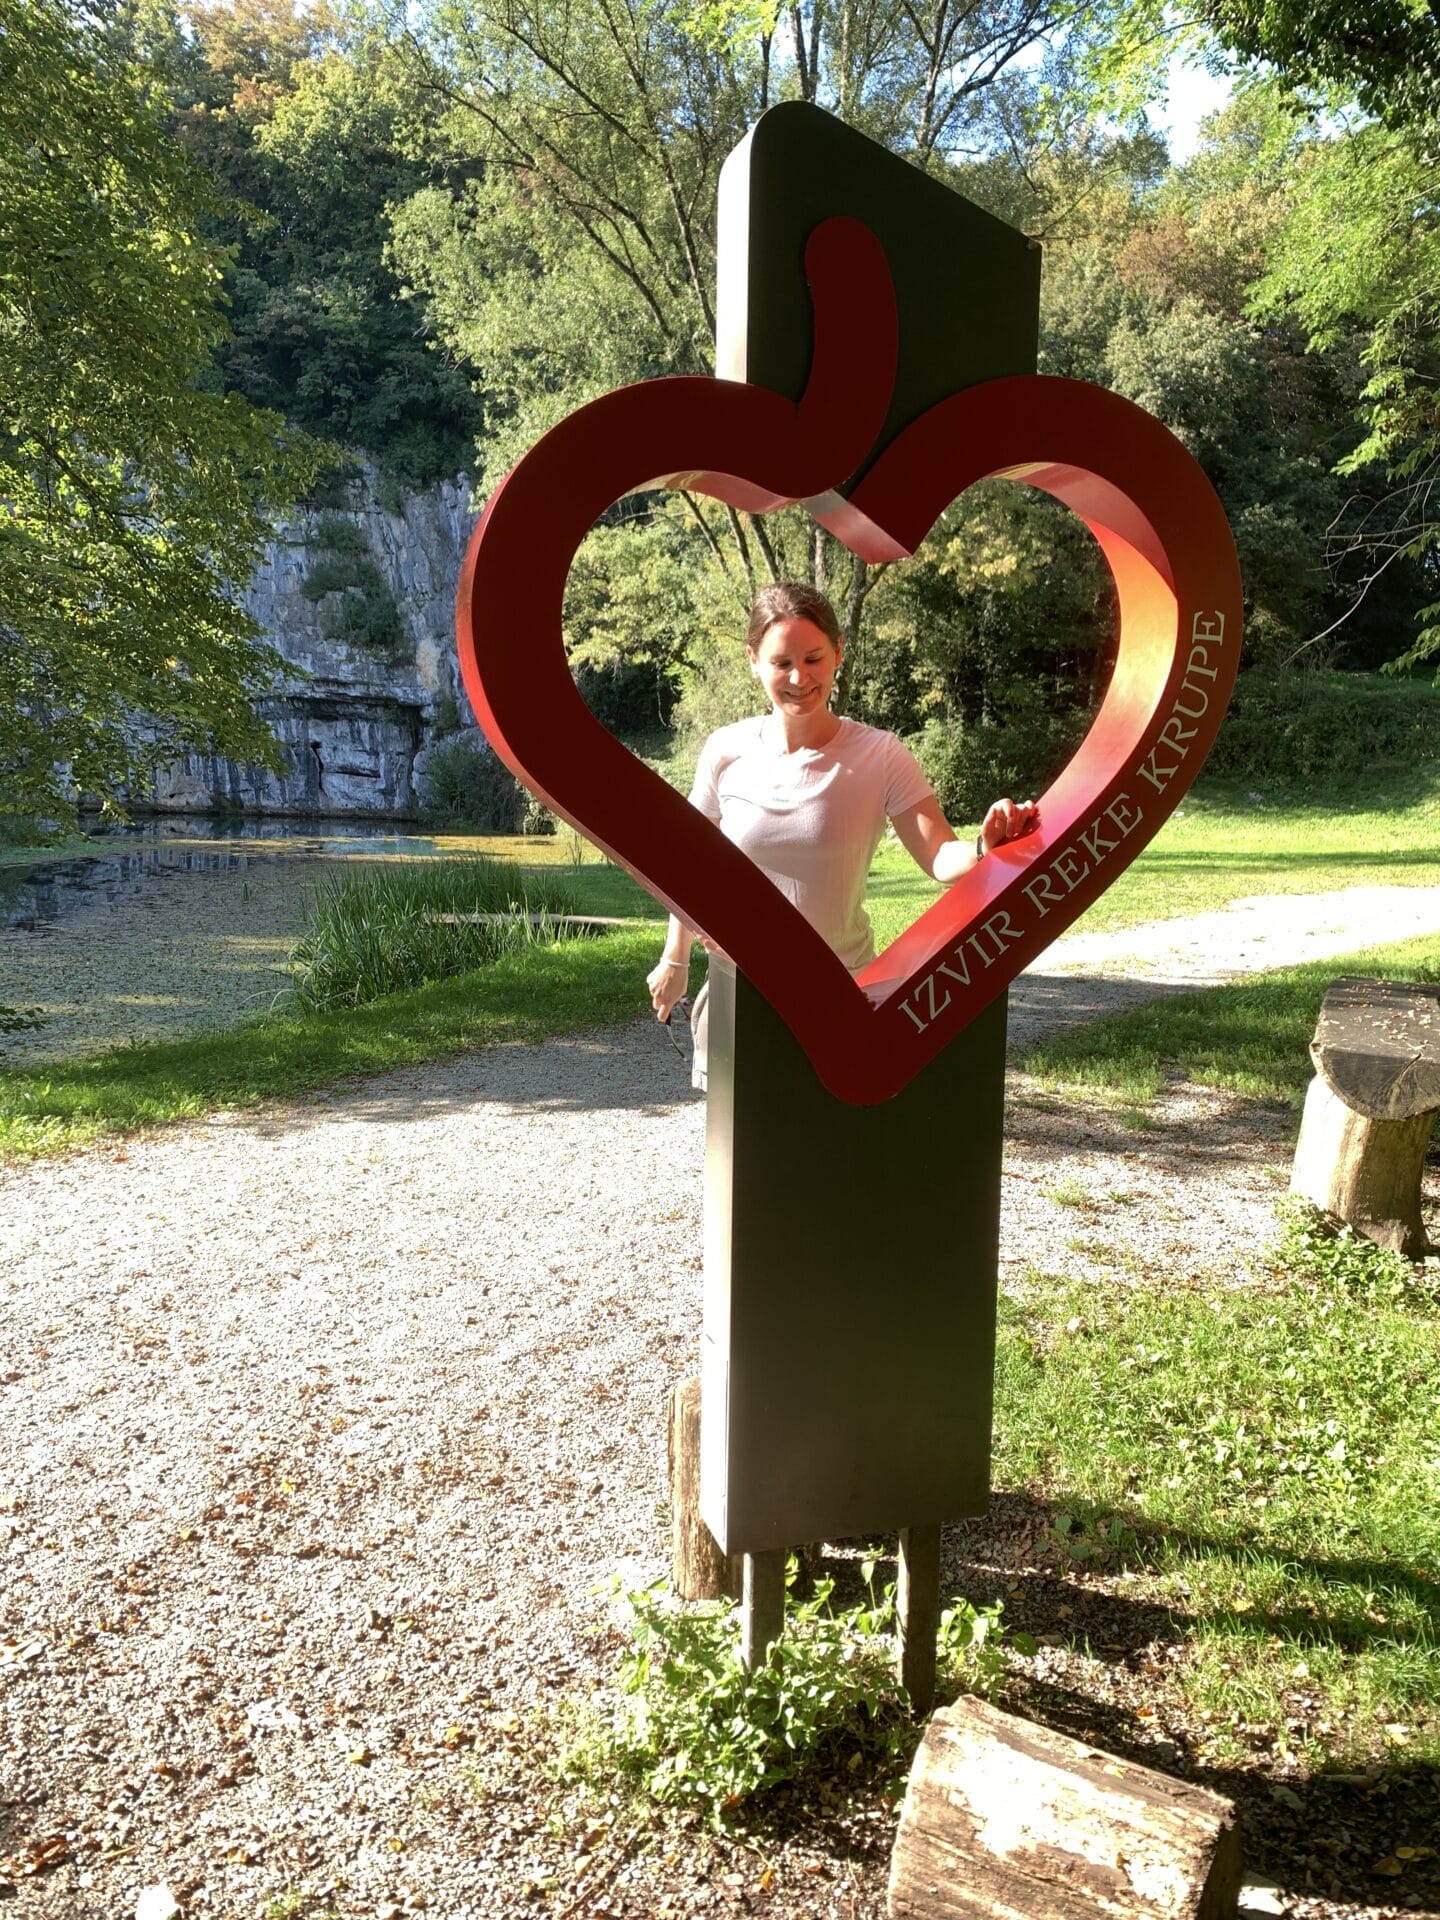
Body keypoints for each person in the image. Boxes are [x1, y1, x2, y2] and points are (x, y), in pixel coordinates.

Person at [646, 581, 1039, 1085]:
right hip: (737, 996)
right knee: (741, 1160)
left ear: (838, 654)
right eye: (781, 662)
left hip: (841, 997)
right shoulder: (726, 749)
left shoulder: (880, 755)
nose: (798, 677)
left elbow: (940, 854)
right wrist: (674, 959)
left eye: (813, 659)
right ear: (753, 660)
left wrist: (986, 847)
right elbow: (689, 867)